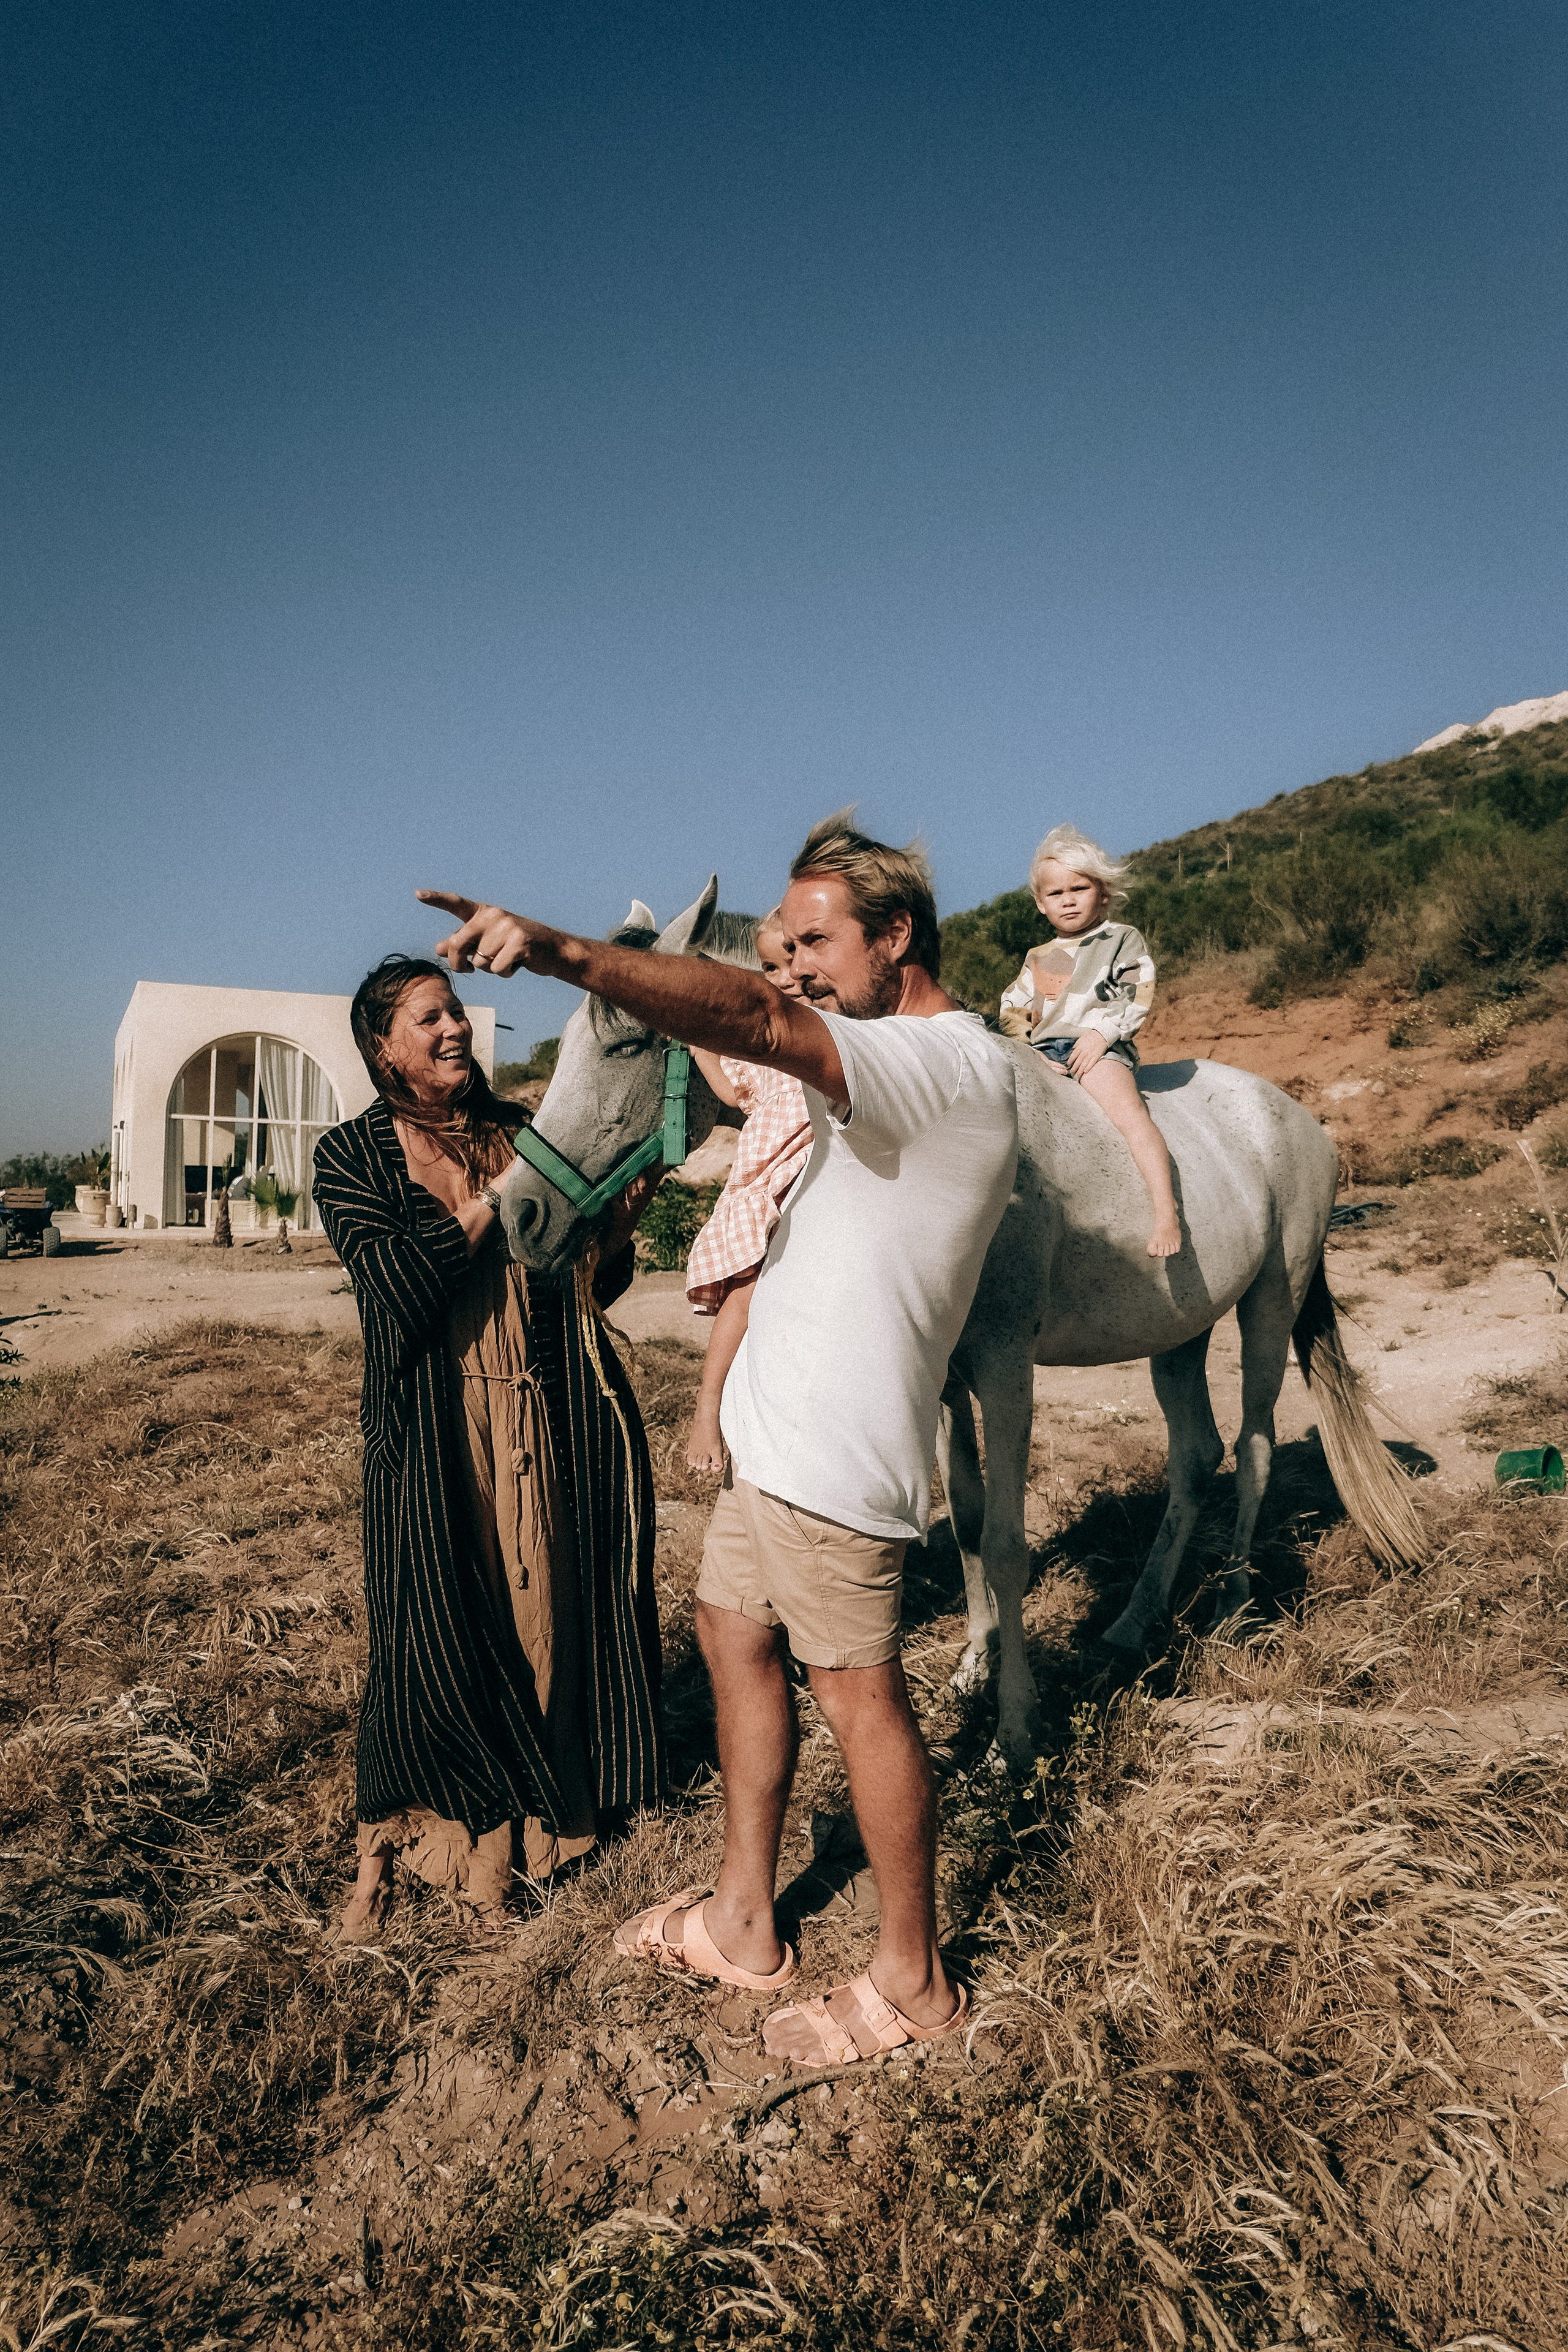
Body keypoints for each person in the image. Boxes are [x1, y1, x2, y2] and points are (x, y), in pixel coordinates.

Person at [418, 811, 1018, 2068]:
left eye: (816, 940)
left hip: (840, 1456)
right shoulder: (852, 1062)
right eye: (781, 940)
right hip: (770, 1442)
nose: (792, 963)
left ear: (895, 936)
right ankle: (747, 1920)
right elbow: (725, 1064)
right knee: (732, 1633)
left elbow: (748, 1024)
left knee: (859, 1697)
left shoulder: (940, 1063)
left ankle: (912, 1984)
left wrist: (558, 953)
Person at [312, 956, 664, 1943]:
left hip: (543, 1413)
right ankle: (399, 1847)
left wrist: (618, 1223)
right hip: (435, 1429)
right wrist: (504, 1190)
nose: (454, 1030)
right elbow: (401, 1287)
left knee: (545, 1614)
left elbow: (587, 1280)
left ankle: (526, 1846)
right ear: (383, 1046)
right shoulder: (350, 1156)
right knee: (429, 1626)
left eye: (457, 1011)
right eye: (429, 1019)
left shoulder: (520, 1131)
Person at [998, 824, 1182, 1257]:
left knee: (1130, 1116)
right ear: (1041, 904)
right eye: (1056, 893)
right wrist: (1029, 1053)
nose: (1068, 899)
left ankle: (1166, 1208)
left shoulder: (1120, 939)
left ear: (1102, 892)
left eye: (1079, 888)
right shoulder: (1038, 958)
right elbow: (1012, 1011)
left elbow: (1140, 990)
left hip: (1098, 1046)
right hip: (1044, 1052)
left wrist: (1104, 1034)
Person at [684, 911, 813, 1476]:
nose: (783, 976)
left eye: (792, 960)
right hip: (765, 1165)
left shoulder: (829, 1021)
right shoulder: (754, 1044)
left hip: (812, 1156)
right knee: (747, 1283)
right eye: (769, 967)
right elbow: (731, 1094)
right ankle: (708, 1405)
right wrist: (697, 1043)